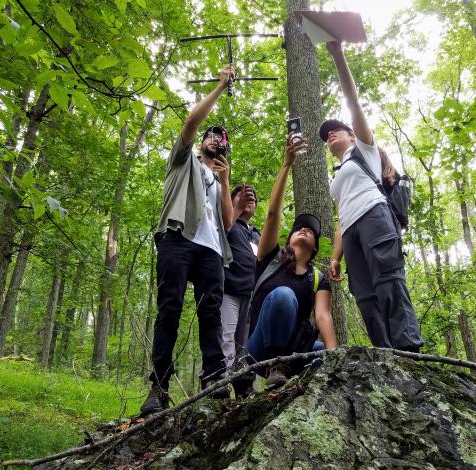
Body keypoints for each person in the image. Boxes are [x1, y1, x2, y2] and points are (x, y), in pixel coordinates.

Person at [141, 65, 236, 415]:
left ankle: (213, 382)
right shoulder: (183, 162)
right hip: (177, 238)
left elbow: (228, 222)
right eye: (212, 135)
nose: (216, 138)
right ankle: (159, 387)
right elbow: (191, 125)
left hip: (211, 249)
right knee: (170, 308)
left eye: (221, 137)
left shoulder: (218, 176)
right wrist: (219, 87)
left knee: (211, 314)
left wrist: (226, 182)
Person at [321, 41, 423, 352]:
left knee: (389, 283)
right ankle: (385, 354)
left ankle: (408, 351)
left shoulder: (365, 150)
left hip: (376, 218)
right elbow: (340, 218)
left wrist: (338, 54)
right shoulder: (335, 177)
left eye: (337, 129)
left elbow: (353, 102)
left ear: (353, 134)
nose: (331, 135)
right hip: (351, 233)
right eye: (326, 136)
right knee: (364, 295)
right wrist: (335, 258)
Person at [232, 134, 337, 398]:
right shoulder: (271, 257)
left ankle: (298, 374)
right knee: (283, 295)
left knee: (324, 354)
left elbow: (323, 316)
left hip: (296, 348)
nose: (303, 230)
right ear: (288, 239)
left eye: (309, 231)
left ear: (314, 248)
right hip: (260, 350)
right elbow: (272, 214)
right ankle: (275, 366)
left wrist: (336, 356)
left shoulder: (317, 278)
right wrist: (286, 164)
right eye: (298, 228)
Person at [221, 184, 260, 368]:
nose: (247, 201)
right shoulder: (227, 222)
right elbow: (220, 233)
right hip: (228, 291)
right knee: (226, 339)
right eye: (241, 196)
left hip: (251, 296)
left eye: (252, 200)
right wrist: (235, 209)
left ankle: (244, 389)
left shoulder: (256, 234)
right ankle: (219, 387)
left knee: (245, 346)